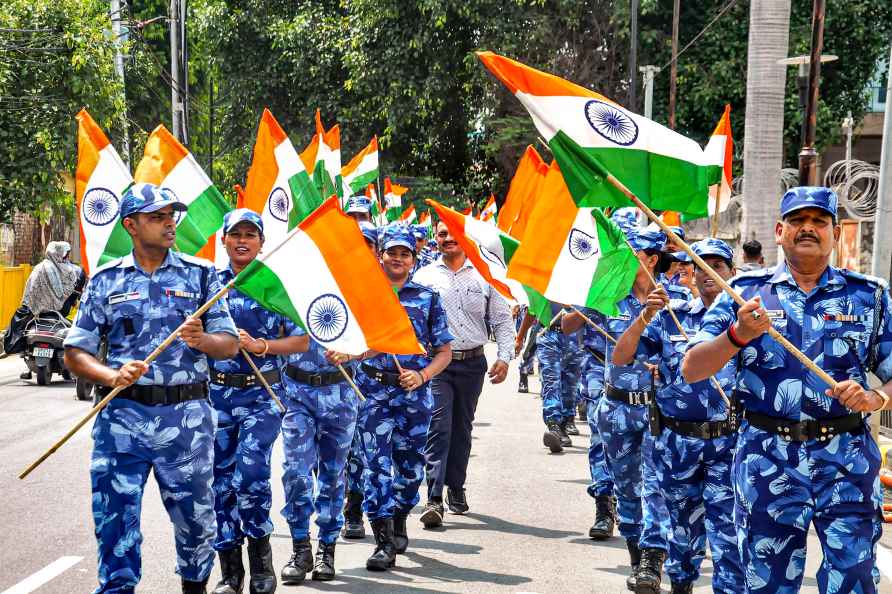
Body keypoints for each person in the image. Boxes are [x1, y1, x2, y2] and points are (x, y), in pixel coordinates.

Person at [683, 186, 892, 594]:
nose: (808, 229)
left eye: (819, 222)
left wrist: (876, 398)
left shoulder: (870, 295)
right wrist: (737, 334)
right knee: (767, 584)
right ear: (780, 231)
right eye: (797, 221)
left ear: (835, 232)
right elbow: (693, 367)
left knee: (853, 579)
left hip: (846, 460)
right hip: (767, 459)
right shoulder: (743, 293)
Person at [63, 183, 239, 594]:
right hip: (122, 421)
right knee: (114, 523)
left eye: (170, 216)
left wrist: (203, 341)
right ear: (131, 225)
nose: (168, 224)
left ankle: (194, 587)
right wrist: (110, 375)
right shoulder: (106, 280)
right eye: (156, 217)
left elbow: (229, 346)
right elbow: (76, 351)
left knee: (196, 522)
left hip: (186, 422)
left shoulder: (201, 275)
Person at [612, 238, 744, 594]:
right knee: (682, 544)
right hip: (676, 445)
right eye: (700, 266)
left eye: (717, 266)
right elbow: (621, 357)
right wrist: (644, 317)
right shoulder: (674, 315)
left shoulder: (749, 321)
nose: (708, 274)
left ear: (732, 273)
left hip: (727, 446)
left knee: (728, 541)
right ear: (688, 272)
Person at [562, 226, 671, 594]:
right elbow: (566, 325)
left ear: (652, 260)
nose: (623, 262)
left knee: (655, 485)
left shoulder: (677, 302)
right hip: (617, 407)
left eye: (632, 255)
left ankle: (653, 561)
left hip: (660, 411)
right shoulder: (611, 297)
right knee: (627, 488)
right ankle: (636, 553)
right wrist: (588, 294)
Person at [209, 209, 308, 594]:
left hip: (262, 395)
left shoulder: (272, 286)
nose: (243, 240)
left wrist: (261, 346)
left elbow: (301, 341)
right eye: (236, 234)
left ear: (262, 242)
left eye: (251, 234)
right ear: (225, 240)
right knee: (220, 483)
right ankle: (230, 572)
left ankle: (261, 561)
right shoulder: (210, 285)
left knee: (249, 476)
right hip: (217, 395)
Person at [353, 223, 453, 571]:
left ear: (413, 258)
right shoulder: (364, 293)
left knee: (409, 469)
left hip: (413, 395)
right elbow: (353, 342)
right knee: (375, 467)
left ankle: (399, 518)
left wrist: (422, 375)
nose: (397, 259)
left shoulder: (427, 299)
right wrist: (354, 353)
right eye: (391, 252)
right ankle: (382, 540)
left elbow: (444, 352)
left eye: (404, 253)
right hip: (373, 393)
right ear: (380, 256)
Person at [414, 220, 515, 527]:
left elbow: (500, 319)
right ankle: (434, 496)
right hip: (437, 364)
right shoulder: (425, 277)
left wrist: (505, 357)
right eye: (442, 234)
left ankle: (456, 487)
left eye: (453, 233)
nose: (448, 239)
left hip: (472, 363)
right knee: (439, 425)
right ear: (436, 238)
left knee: (462, 427)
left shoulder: (485, 274)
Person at [342, 220, 379, 541]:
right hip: (329, 385)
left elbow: (382, 337)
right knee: (325, 456)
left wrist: (356, 354)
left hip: (370, 385)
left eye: (368, 245)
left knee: (357, 453)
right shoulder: (329, 282)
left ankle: (353, 511)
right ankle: (342, 498)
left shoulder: (382, 287)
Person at [8, 241, 86, 377]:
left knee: (23, 330)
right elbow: (76, 291)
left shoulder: (39, 268)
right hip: (61, 311)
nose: (66, 257)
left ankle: (25, 357)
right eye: (66, 254)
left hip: (37, 310)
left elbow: (30, 292)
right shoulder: (72, 271)